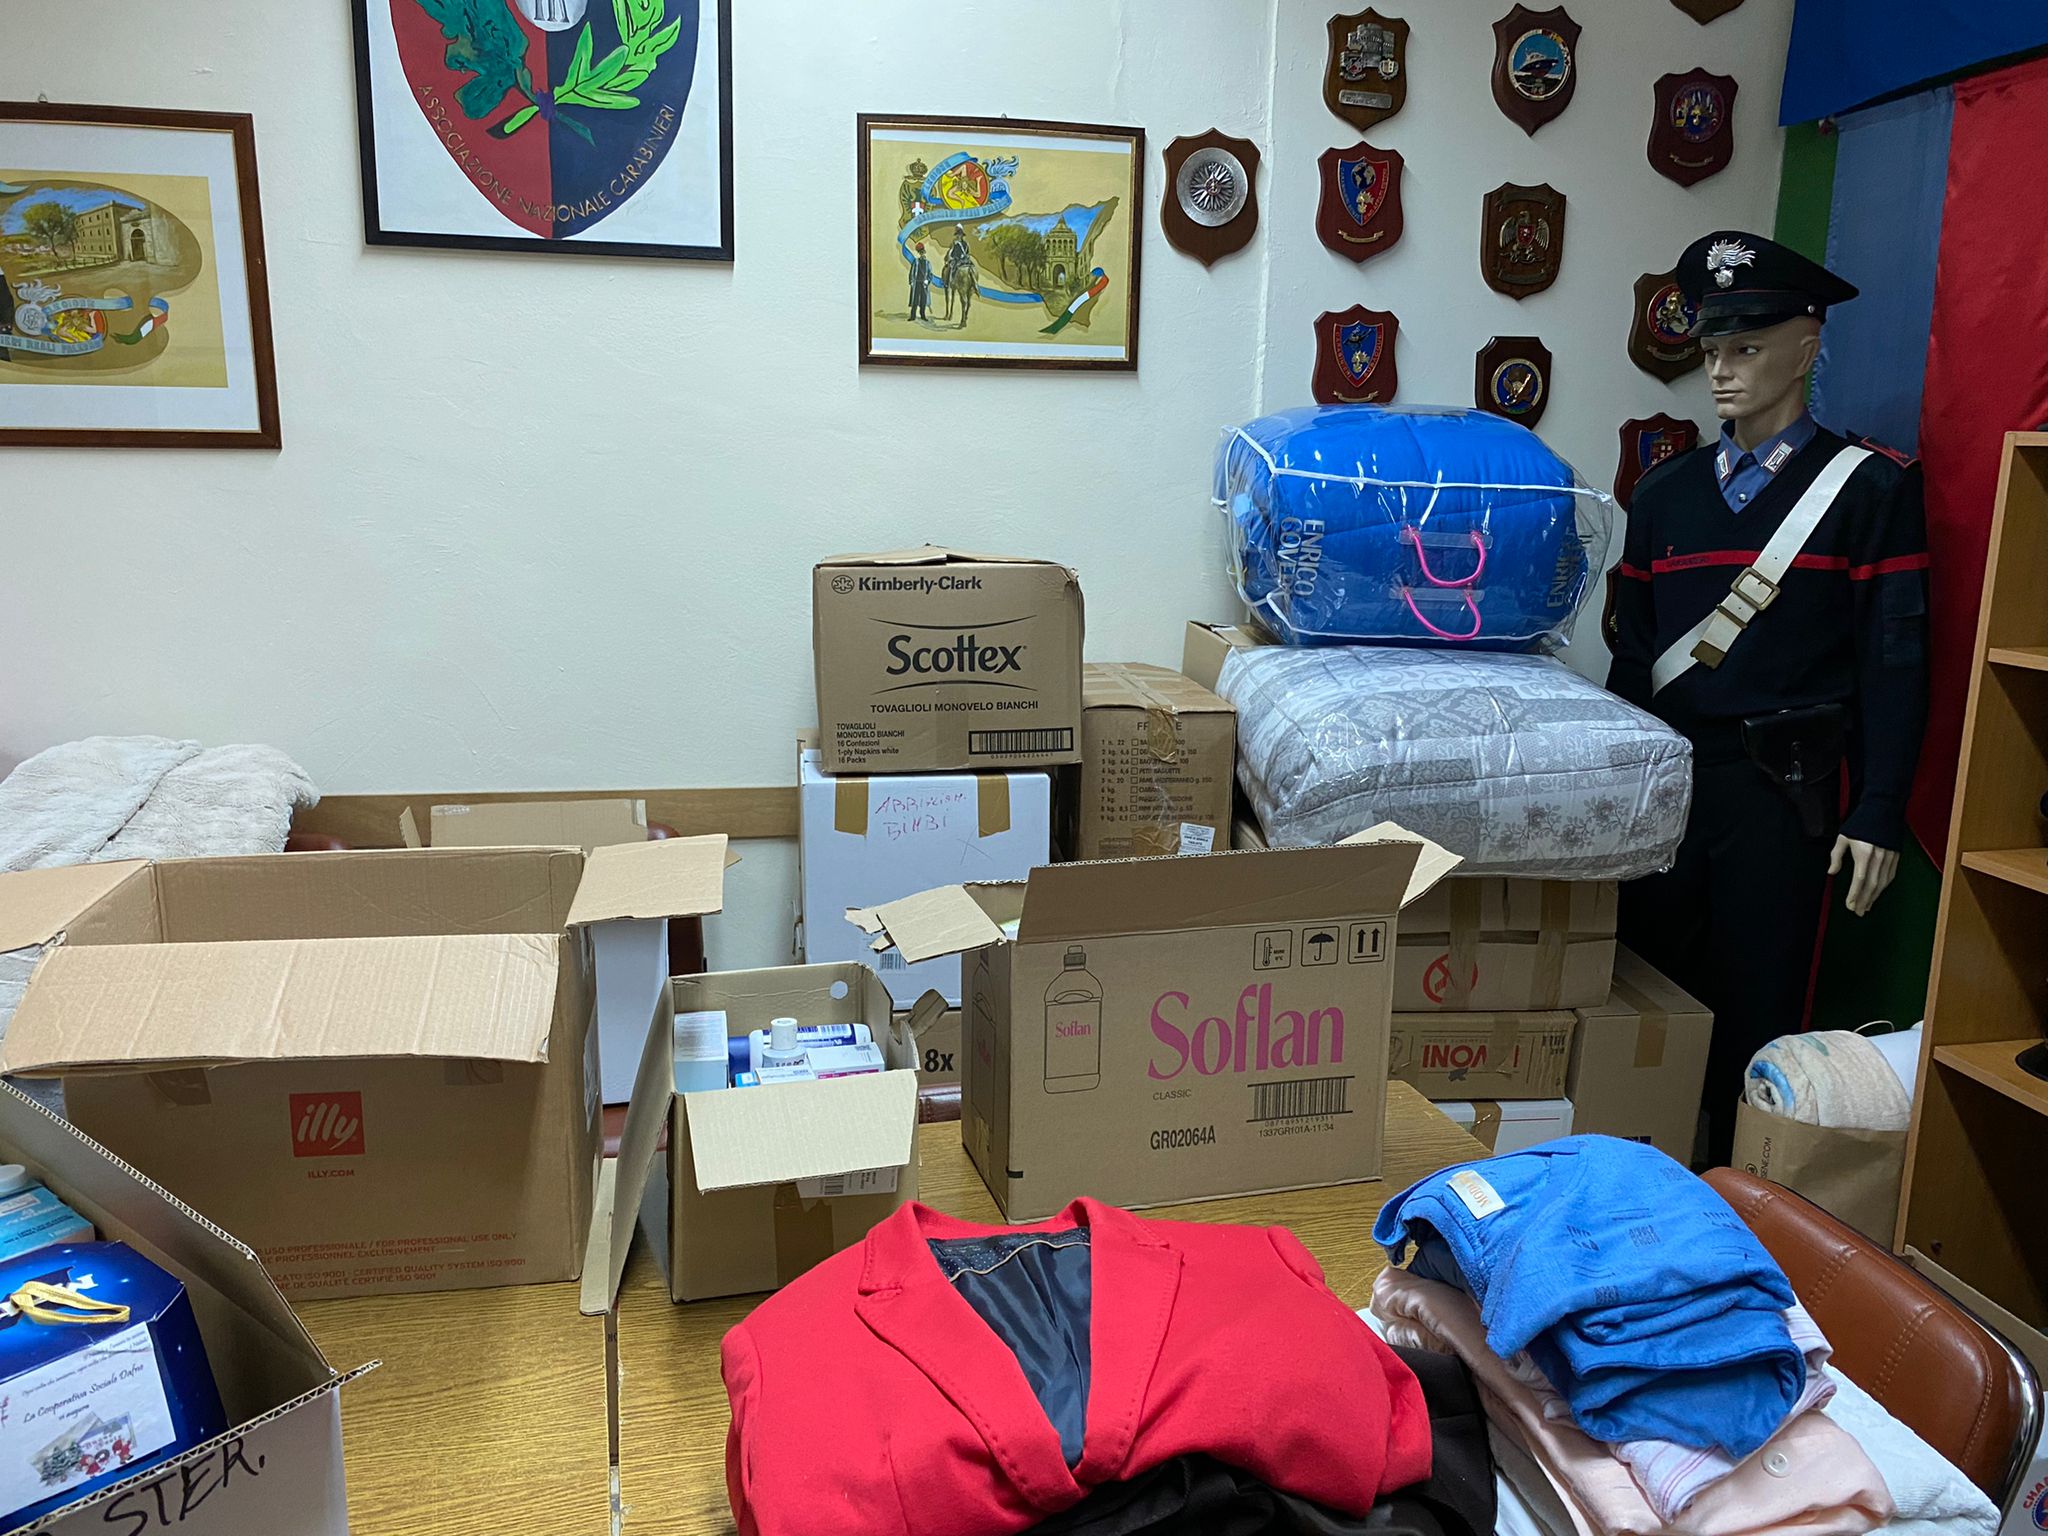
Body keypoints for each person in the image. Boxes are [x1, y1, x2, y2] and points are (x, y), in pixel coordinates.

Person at [1606, 230, 1929, 1164]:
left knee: (1760, 1006)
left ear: (1806, 347)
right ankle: (1647, 1176)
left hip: (1784, 796)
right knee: (1649, 999)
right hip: (1670, 789)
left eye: (1746, 347)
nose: (1721, 370)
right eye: (1712, 349)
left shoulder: (1869, 490)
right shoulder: (1664, 495)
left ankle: (1745, 1190)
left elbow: (1896, 660)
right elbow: (1634, 661)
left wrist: (1878, 808)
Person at [907, 241, 932, 322]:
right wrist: (911, 281)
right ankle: (913, 316)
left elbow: (930, 274)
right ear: (919, 253)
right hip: (916, 283)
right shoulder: (916, 262)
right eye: (920, 253)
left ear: (924, 253)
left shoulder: (928, 263)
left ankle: (923, 315)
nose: (922, 254)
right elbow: (912, 272)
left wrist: (927, 281)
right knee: (915, 300)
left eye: (923, 252)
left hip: (924, 284)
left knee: (923, 300)